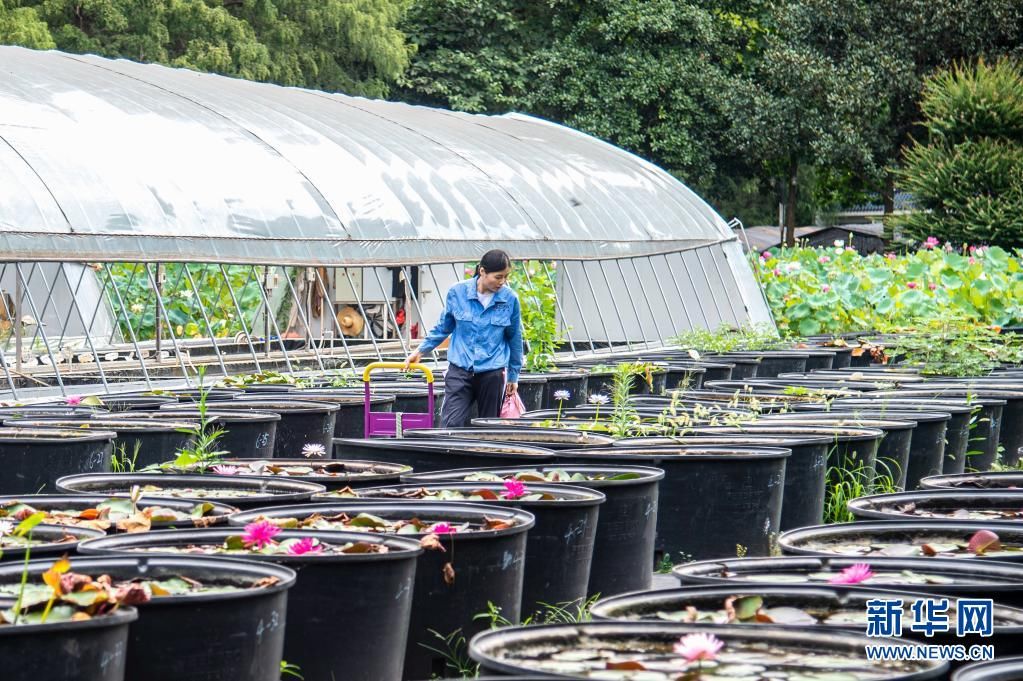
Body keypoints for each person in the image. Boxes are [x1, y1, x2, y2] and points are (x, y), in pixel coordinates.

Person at [404, 249, 523, 427]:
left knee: (488, 428)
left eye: (506, 277)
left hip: (492, 372)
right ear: (482, 271)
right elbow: (444, 326)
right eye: (498, 277)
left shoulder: (509, 299)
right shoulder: (457, 292)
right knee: (450, 424)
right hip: (460, 370)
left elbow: (515, 339)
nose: (503, 282)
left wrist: (513, 376)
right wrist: (421, 350)